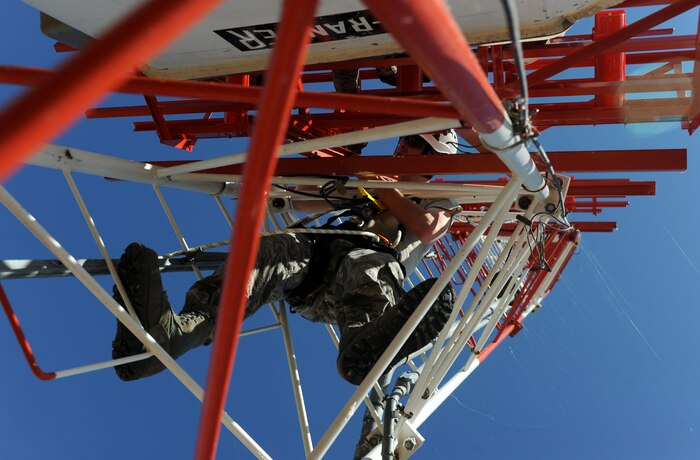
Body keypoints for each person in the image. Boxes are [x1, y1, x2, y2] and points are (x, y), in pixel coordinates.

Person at [111, 130, 463, 385]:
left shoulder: (442, 198)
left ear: (437, 156)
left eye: (416, 143)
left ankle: (364, 345)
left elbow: (427, 227)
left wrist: (382, 187)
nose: (402, 145)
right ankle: (170, 335)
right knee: (268, 253)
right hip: (316, 261)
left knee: (370, 267)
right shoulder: (370, 183)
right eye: (405, 139)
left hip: (361, 273)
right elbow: (304, 200)